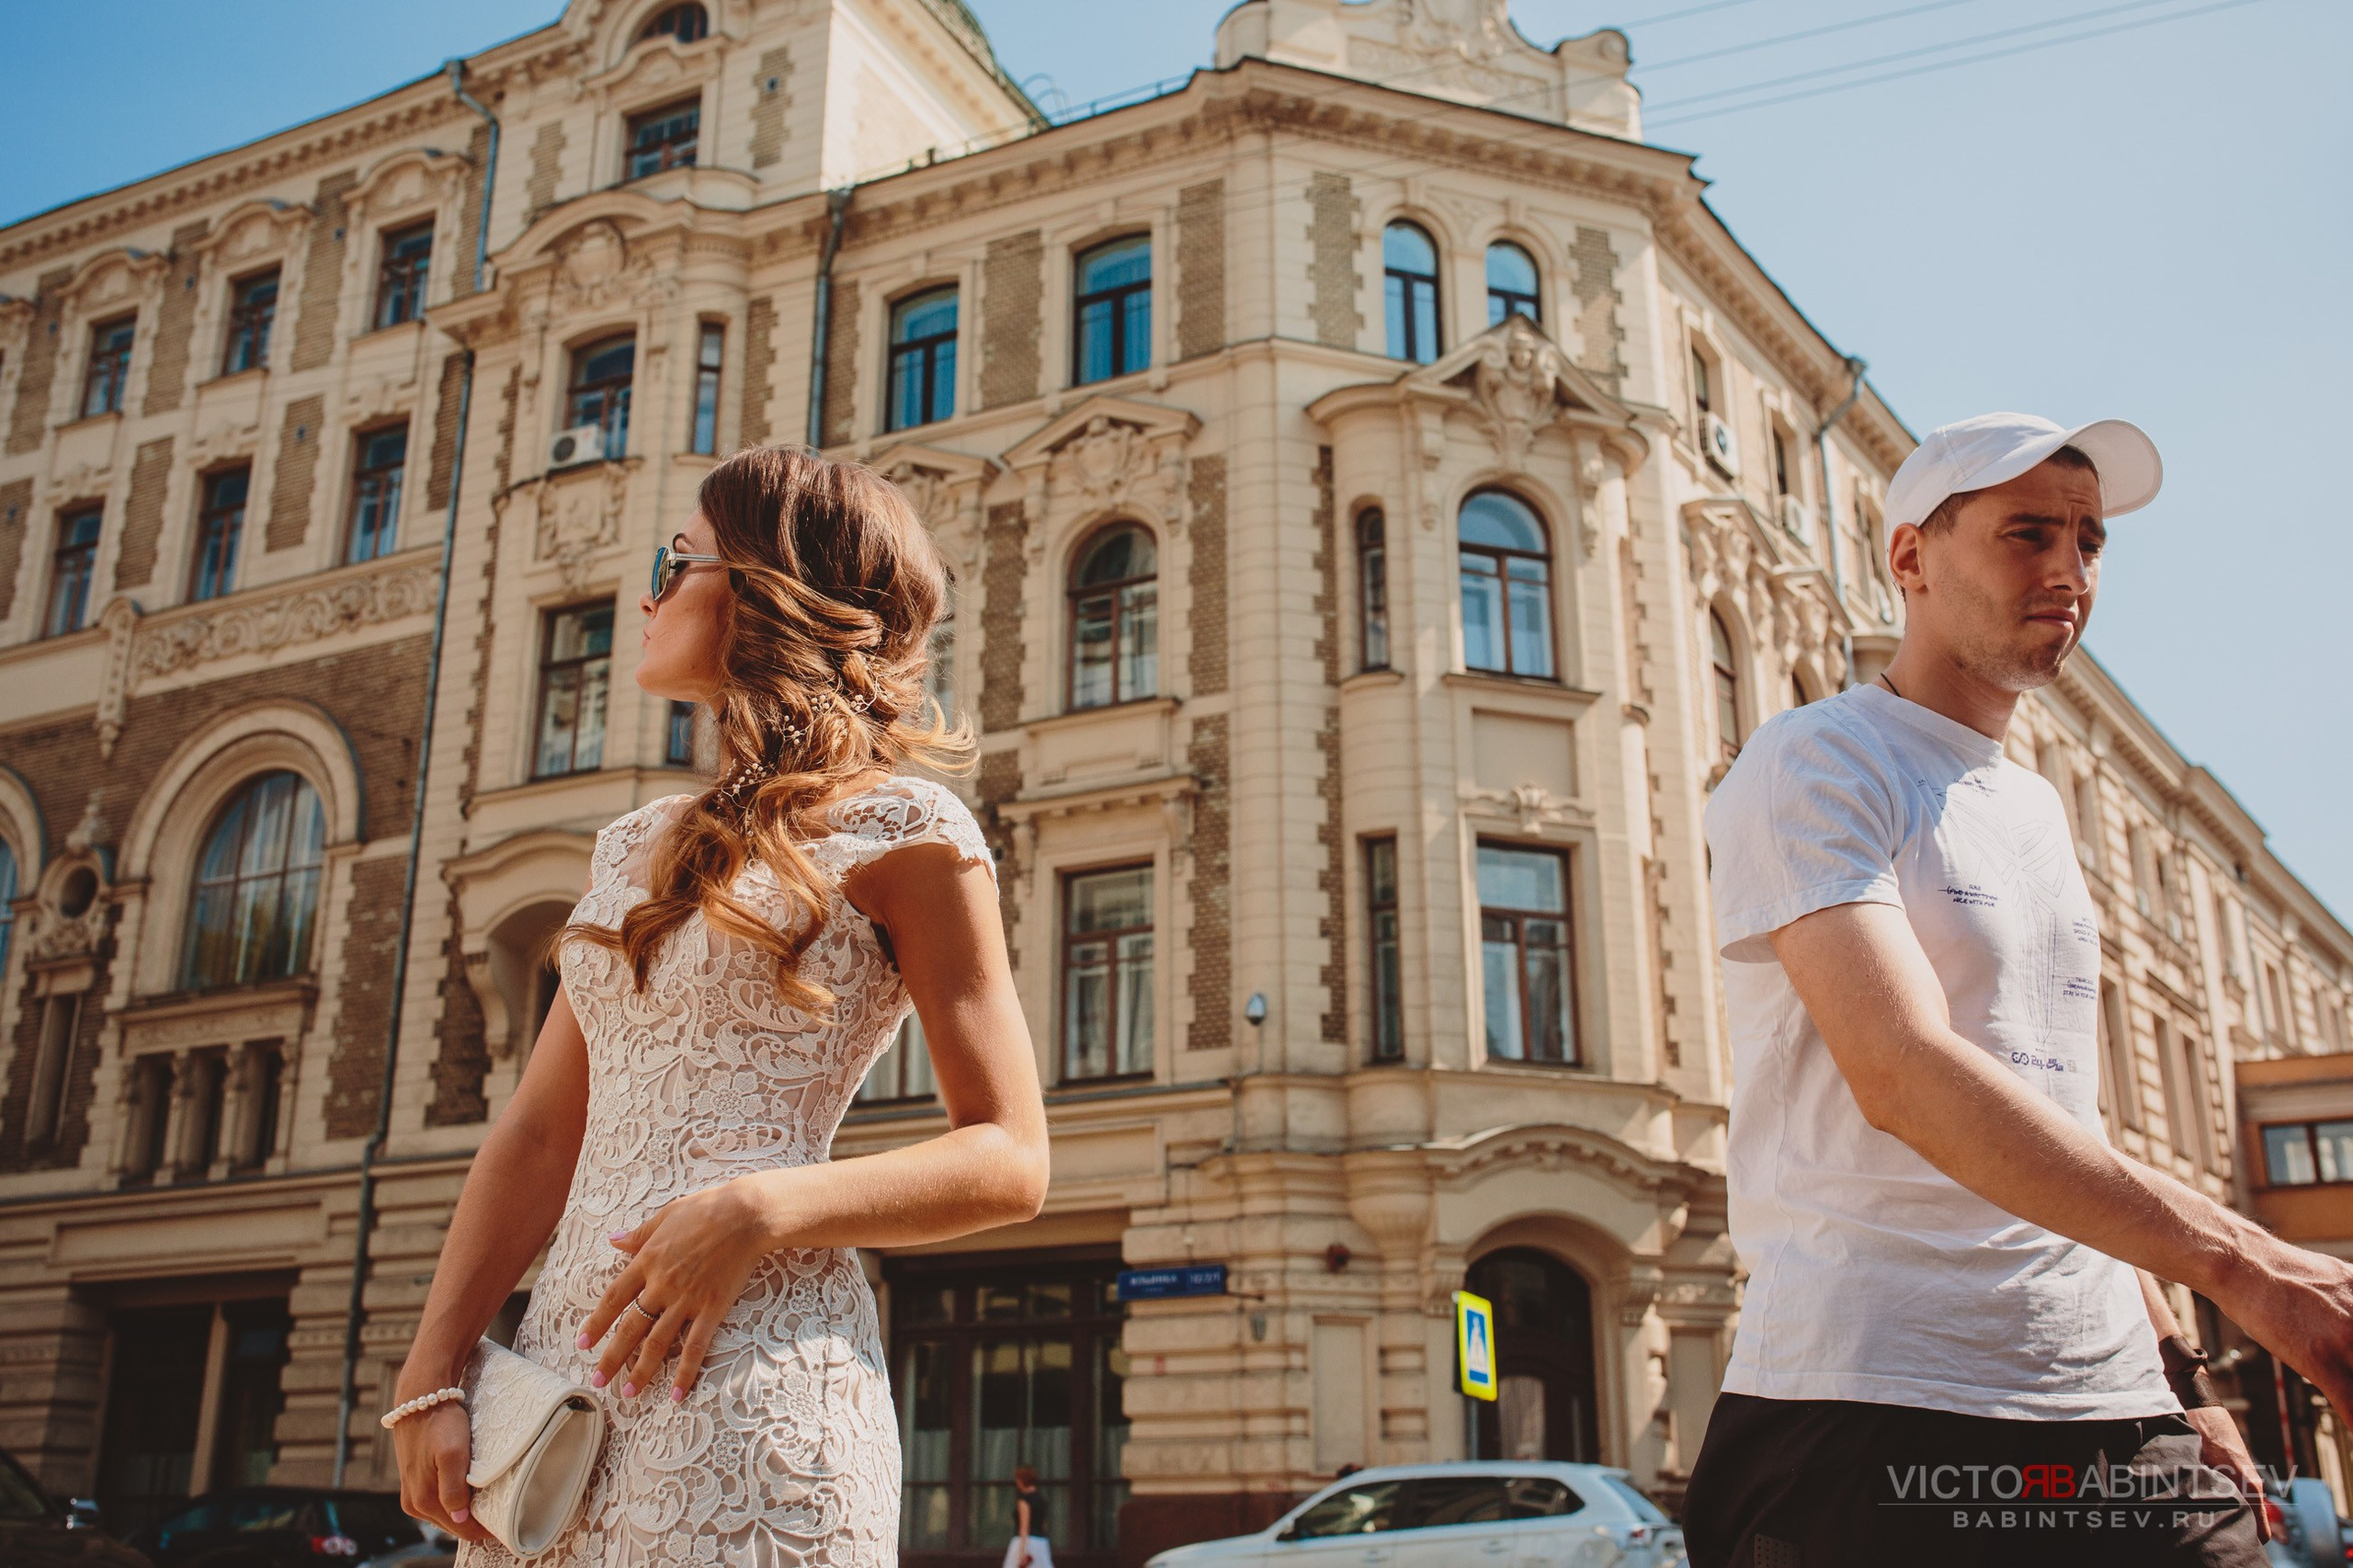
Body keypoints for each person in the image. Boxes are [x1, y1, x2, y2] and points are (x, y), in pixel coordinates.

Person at [1683, 413, 2353, 1566]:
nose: (2068, 570)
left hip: (2111, 1403)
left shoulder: (2033, 805)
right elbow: (1902, 1072)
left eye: (2089, 541)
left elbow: (2061, 1117)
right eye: (2026, 532)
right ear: (1909, 559)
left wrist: (2182, 1377)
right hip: (1880, 1405)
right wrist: (2252, 1264)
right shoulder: (1816, 757)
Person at [386, 447, 1051, 1565]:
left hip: (758, 1381)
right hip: (563, 1394)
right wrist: (432, 1369)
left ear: (766, 588)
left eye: (674, 560)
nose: (646, 596)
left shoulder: (912, 831)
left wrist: (757, 1209)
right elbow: (541, 1134)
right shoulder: (634, 844)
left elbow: (1011, 1157)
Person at [1006, 1464, 1051, 1568]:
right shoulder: (1041, 1500)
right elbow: (1044, 1525)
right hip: (1041, 1543)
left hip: (1026, 1542)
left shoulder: (1024, 1500)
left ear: (1022, 1480)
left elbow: (1024, 1526)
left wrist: (1022, 1552)